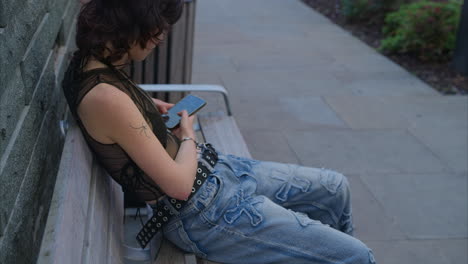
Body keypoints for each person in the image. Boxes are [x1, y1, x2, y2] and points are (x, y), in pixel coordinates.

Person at [62, 0, 377, 263]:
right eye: (158, 25)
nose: (162, 33)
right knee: (357, 256)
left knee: (336, 188)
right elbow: (180, 186)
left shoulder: (94, 64)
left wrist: (148, 106)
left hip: (221, 172)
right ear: (129, 23)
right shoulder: (103, 96)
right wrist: (188, 134)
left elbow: (121, 111)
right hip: (205, 213)